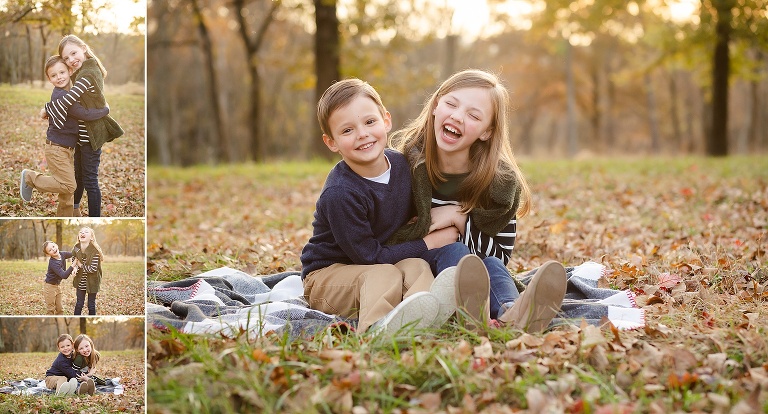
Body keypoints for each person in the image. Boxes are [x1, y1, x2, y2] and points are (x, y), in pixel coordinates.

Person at [300, 78, 484, 337]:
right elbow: (369, 257)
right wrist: (429, 243)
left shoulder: (402, 166)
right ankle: (375, 333)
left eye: (369, 122)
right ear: (331, 142)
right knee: (384, 274)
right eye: (347, 130)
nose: (362, 134)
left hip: (379, 264)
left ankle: (427, 320)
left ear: (386, 121)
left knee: (418, 268)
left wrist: (441, 216)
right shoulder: (341, 193)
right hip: (328, 277)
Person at [389, 69, 568, 333]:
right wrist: (434, 240)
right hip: (419, 273)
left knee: (492, 264)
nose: (457, 116)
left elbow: (500, 255)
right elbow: (386, 237)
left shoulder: (499, 184)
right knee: (457, 252)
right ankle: (472, 315)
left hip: (477, 273)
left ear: (486, 132)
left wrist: (459, 219)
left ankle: (512, 312)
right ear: (436, 105)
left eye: (474, 115)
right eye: (451, 103)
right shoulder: (405, 166)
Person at [20, 55, 110, 217]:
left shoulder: (72, 91)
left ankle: (68, 215)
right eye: (53, 75)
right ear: (49, 79)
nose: (59, 77)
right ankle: (30, 178)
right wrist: (105, 110)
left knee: (67, 191)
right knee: (69, 186)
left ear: (69, 71)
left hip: (67, 148)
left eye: (61, 72)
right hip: (57, 148)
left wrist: (46, 110)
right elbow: (84, 114)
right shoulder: (61, 96)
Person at [45, 34, 124, 217]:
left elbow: (68, 100)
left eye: (74, 53)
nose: (71, 60)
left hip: (90, 138)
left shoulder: (87, 75)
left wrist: (47, 109)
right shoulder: (84, 71)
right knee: (78, 178)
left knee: (90, 181)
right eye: (66, 58)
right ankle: (74, 212)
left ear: (84, 48)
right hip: (81, 137)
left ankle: (95, 218)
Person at [42, 240, 80, 315]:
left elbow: (73, 253)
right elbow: (64, 275)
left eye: (53, 246)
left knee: (60, 309)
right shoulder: (53, 263)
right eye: (50, 250)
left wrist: (79, 245)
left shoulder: (62, 254)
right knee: (51, 309)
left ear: (56, 245)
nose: (53, 249)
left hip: (57, 286)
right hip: (49, 287)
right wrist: (73, 264)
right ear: (48, 254)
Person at [72, 227, 103, 315]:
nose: (83, 233)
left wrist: (81, 265)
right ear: (78, 236)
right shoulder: (76, 248)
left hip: (92, 281)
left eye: (86, 232)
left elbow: (93, 269)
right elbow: (74, 261)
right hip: (80, 281)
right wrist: (74, 269)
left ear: (91, 237)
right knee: (79, 304)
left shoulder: (95, 251)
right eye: (81, 232)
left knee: (91, 305)